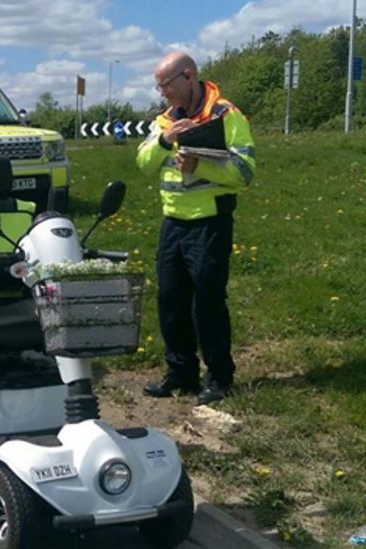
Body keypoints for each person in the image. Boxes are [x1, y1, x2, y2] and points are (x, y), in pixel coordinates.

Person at [136, 51, 256, 405]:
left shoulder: (225, 115)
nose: (162, 93)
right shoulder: (164, 120)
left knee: (207, 301)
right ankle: (180, 372)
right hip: (173, 222)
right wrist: (165, 140)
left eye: (166, 85)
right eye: (158, 87)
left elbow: (244, 172)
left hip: (210, 222)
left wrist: (199, 166)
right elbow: (143, 164)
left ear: (188, 76)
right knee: (170, 300)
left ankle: (219, 377)